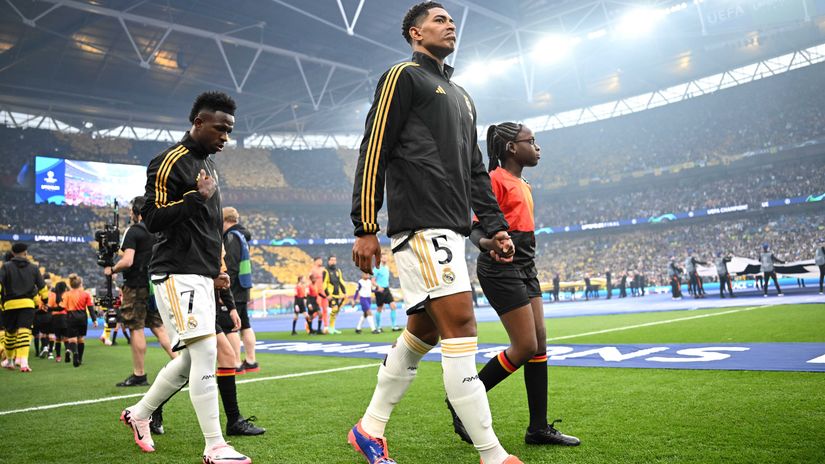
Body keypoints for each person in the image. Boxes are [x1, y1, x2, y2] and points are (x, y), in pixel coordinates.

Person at [349, 4, 522, 463]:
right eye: (439, 19)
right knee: (462, 325)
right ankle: (492, 453)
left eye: (452, 19)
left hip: (449, 227)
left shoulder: (462, 96)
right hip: (422, 223)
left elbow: (475, 172)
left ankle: (369, 429)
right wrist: (365, 224)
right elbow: (374, 148)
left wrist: (493, 229)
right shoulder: (403, 76)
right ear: (415, 33)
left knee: (422, 332)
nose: (450, 24)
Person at [119, 91, 250, 463]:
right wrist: (194, 196)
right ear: (198, 123)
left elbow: (206, 227)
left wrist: (218, 270)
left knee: (194, 359)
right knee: (207, 351)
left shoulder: (209, 163)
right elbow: (152, 218)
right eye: (221, 129)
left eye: (229, 131)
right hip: (176, 272)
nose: (225, 137)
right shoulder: (168, 161)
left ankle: (140, 413)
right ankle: (215, 445)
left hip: (201, 274)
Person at [451, 122, 580, 448]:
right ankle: (461, 400)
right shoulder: (494, 179)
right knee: (523, 346)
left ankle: (537, 428)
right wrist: (489, 245)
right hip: (499, 268)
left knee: (538, 346)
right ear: (512, 147)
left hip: (526, 268)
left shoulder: (523, 182)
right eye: (531, 141)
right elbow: (475, 228)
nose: (538, 148)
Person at [107, 195, 175, 386]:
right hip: (155, 285)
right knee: (159, 327)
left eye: (131, 210)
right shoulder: (159, 230)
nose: (130, 214)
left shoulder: (134, 231)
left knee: (136, 327)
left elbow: (128, 260)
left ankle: (139, 374)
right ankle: (182, 365)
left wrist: (111, 269)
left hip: (136, 286)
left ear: (137, 212)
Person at [0, 243, 49, 372]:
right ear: (26, 253)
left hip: (10, 305)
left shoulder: (6, 267)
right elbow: (43, 288)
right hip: (27, 304)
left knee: (10, 334)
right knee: (24, 331)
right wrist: (45, 301)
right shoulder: (33, 268)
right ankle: (24, 363)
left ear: (12, 253)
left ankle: (9, 361)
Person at [222, 207, 259, 373]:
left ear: (225, 220)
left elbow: (231, 266)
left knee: (232, 327)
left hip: (235, 287)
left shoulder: (230, 237)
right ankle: (251, 361)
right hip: (244, 286)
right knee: (245, 325)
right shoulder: (243, 235)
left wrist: (225, 287)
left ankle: (236, 363)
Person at [61, 274, 98, 367]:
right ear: (80, 284)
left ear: (70, 284)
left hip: (71, 317)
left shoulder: (66, 294)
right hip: (82, 317)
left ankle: (75, 352)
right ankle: (80, 359)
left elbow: (63, 307)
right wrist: (94, 320)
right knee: (81, 338)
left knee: (72, 339)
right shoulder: (86, 294)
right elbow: (90, 308)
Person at [372, 255, 400, 332]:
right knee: (379, 308)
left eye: (386, 257)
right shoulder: (377, 268)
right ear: (380, 259)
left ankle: (394, 326)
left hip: (387, 289)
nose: (385, 259)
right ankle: (378, 327)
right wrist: (378, 287)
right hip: (380, 290)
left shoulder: (387, 267)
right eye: (384, 257)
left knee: (393, 306)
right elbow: (373, 281)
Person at [322, 256, 348, 335]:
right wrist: (327, 294)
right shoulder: (325, 271)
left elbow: (341, 282)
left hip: (337, 294)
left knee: (336, 310)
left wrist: (344, 292)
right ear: (328, 261)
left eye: (334, 260)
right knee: (334, 309)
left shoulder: (338, 271)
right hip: (331, 294)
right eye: (332, 260)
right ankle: (329, 328)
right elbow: (324, 284)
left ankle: (331, 328)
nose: (333, 261)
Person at [309, 257, 328, 333]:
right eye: (319, 260)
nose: (321, 261)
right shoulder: (312, 270)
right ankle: (308, 325)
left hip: (324, 292)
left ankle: (326, 327)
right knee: (317, 311)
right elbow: (309, 281)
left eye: (321, 260)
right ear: (315, 261)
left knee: (325, 310)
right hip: (317, 293)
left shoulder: (324, 269)